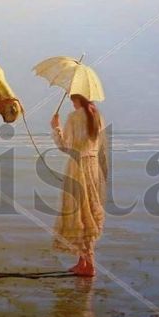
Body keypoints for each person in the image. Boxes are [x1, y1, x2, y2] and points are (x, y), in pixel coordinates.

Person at [50, 94, 108, 276]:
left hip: (78, 167)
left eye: (73, 100)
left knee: (80, 214)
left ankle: (89, 266)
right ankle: (83, 263)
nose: (72, 103)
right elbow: (100, 147)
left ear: (78, 100)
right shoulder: (97, 115)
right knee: (88, 212)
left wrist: (55, 128)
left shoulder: (74, 117)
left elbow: (65, 146)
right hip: (93, 167)